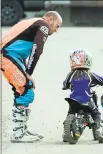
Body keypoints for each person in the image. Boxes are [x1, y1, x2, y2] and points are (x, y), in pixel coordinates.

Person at [1, 11, 63, 143]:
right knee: (26, 90)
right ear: (50, 19)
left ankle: (21, 129)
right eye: (57, 26)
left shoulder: (34, 22)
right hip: (8, 56)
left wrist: (26, 73)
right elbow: (37, 49)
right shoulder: (43, 25)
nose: (57, 31)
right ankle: (18, 133)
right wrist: (28, 73)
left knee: (22, 90)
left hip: (12, 56)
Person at [62, 49, 103, 143]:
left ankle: (65, 133)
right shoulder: (89, 74)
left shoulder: (71, 75)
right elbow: (102, 80)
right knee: (96, 114)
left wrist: (67, 86)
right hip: (87, 99)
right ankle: (98, 131)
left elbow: (65, 85)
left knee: (70, 113)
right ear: (87, 61)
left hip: (73, 100)